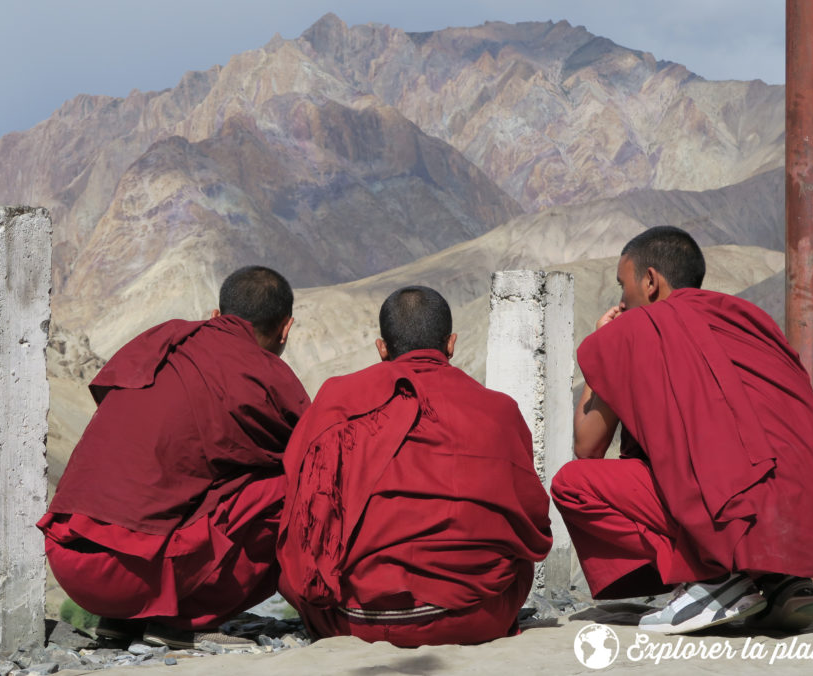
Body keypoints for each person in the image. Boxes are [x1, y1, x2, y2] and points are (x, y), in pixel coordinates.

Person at [551, 226, 813, 635]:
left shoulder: (633, 331)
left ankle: (714, 578)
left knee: (572, 483)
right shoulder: (749, 318)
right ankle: (779, 580)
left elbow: (587, 446)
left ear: (649, 281)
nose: (621, 299)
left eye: (622, 284)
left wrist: (603, 348)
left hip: (736, 509)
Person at [38, 266, 309, 648]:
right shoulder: (265, 375)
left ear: (216, 317)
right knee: (295, 488)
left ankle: (121, 623)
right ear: (286, 329)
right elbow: (313, 456)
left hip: (66, 557)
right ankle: (181, 623)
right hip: (129, 576)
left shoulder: (163, 341)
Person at [277, 286, 552, 647]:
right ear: (450, 344)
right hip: (473, 617)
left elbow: (301, 511)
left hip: (352, 620)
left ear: (382, 349)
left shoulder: (337, 399)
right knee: (517, 563)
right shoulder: (498, 411)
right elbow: (534, 528)